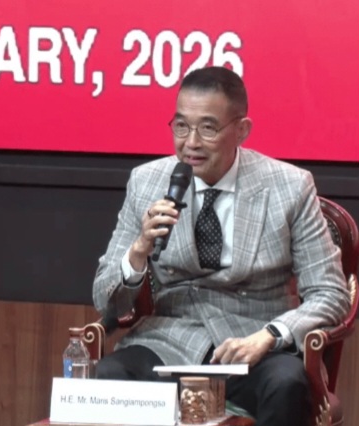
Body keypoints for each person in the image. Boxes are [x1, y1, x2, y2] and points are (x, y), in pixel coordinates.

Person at [92, 66, 349, 426]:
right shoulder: (147, 181)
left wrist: (270, 336)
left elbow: (331, 294)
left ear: (242, 130)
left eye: (208, 128)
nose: (191, 143)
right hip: (169, 343)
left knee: (287, 384)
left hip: (254, 345)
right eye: (181, 126)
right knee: (111, 374)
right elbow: (105, 300)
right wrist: (138, 251)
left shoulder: (289, 186)